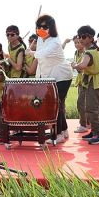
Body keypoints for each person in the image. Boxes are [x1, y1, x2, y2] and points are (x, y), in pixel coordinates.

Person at [33, 14, 73, 142]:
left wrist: (31, 52)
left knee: (56, 105)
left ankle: (59, 134)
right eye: (39, 26)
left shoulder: (55, 41)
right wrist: (38, 78)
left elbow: (42, 55)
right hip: (49, 77)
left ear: (52, 27)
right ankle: (64, 129)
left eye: (45, 26)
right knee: (58, 104)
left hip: (62, 76)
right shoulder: (40, 39)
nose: (42, 29)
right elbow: (41, 62)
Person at [71, 25, 99, 145]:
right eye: (80, 36)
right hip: (94, 81)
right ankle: (94, 132)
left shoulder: (89, 52)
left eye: (83, 36)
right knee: (91, 108)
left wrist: (75, 65)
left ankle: (98, 135)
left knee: (92, 109)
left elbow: (83, 65)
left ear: (91, 38)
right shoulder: (93, 50)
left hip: (94, 82)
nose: (81, 39)